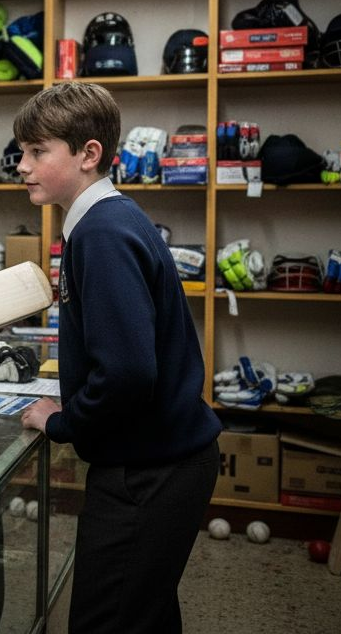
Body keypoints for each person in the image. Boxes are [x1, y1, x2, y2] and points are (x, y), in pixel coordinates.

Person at [13, 82, 220, 634]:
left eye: (37, 151)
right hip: (161, 458)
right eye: (22, 152)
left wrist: (64, 421)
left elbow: (128, 372)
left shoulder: (102, 233)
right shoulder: (105, 220)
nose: (22, 166)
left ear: (88, 155)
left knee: (107, 620)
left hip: (149, 470)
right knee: (143, 612)